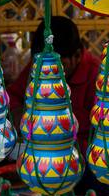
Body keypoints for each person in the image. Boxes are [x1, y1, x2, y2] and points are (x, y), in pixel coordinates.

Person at [6, 15, 100, 160]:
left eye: (58, 67)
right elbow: (11, 97)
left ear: (77, 55)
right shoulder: (40, 66)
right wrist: (19, 114)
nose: (48, 72)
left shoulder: (97, 76)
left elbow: (97, 135)